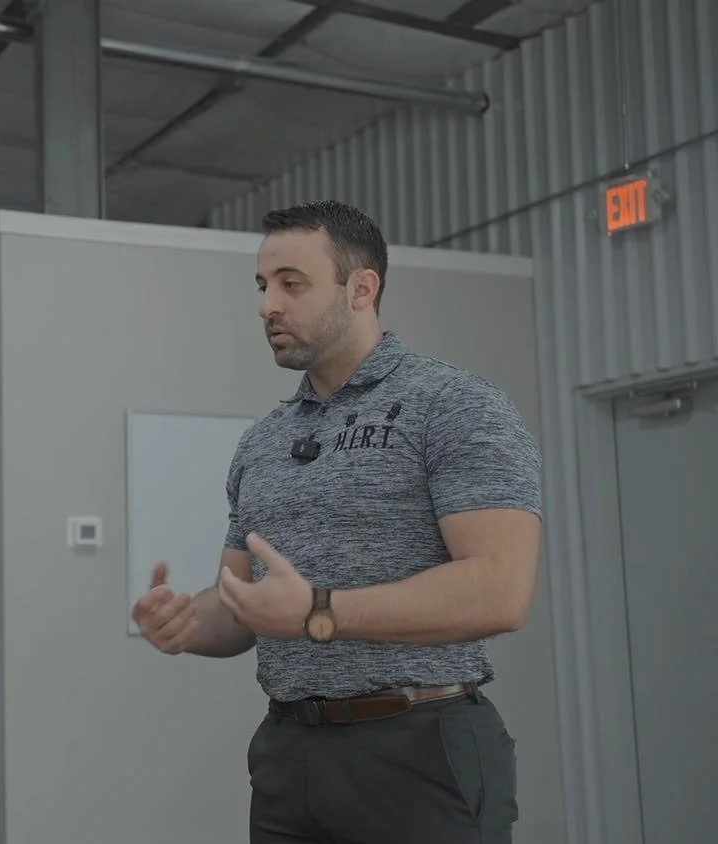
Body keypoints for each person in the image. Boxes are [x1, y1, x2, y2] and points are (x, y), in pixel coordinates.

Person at [130, 200, 543, 844]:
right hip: (288, 753)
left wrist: (320, 609)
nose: (269, 304)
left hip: (419, 748)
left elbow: (501, 590)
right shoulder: (262, 442)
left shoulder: (455, 404)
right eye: (263, 286)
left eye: (292, 284)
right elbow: (239, 606)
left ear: (362, 288)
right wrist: (187, 623)